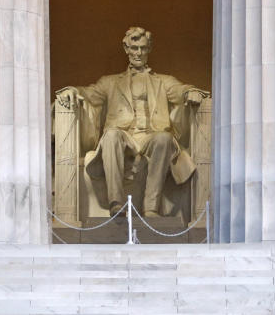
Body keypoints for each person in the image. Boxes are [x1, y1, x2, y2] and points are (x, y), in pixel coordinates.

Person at [55, 27, 208, 217]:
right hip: (123, 136)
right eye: (134, 48)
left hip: (151, 136)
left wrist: (190, 92)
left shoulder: (163, 81)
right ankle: (116, 203)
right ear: (126, 48)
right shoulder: (110, 82)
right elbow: (89, 93)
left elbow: (180, 89)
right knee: (110, 135)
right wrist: (71, 90)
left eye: (143, 48)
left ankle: (151, 207)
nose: (139, 53)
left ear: (149, 49)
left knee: (164, 138)